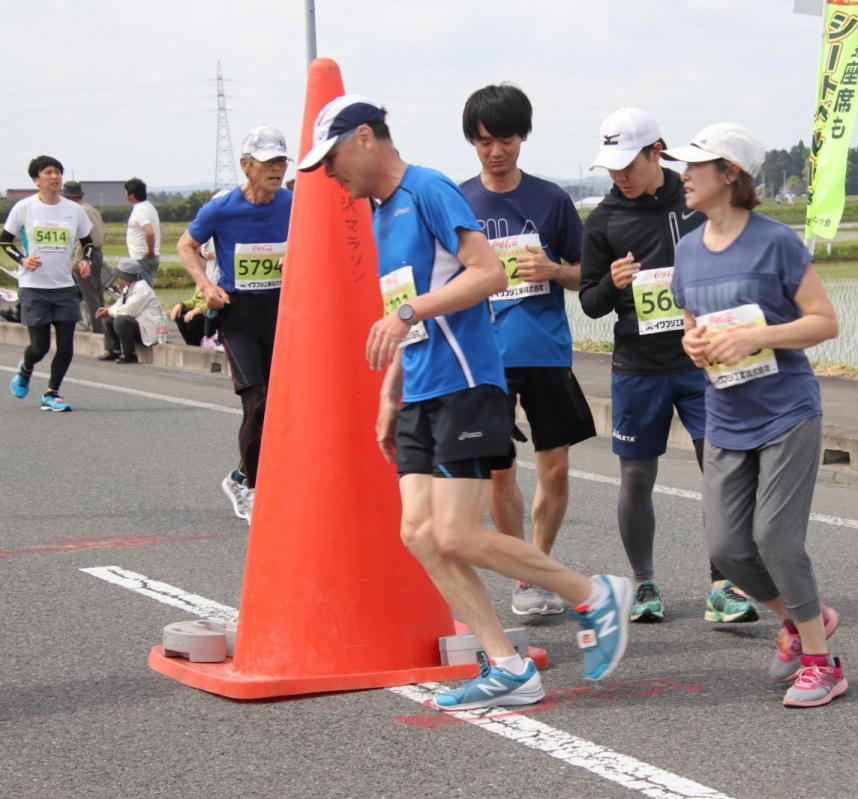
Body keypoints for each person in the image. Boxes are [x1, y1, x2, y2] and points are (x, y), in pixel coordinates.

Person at [297, 94, 633, 711]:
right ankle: (507, 664)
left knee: (454, 531)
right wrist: (390, 394)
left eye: (332, 157)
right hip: (422, 388)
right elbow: (404, 305)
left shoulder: (427, 189)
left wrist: (409, 312)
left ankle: (592, 591)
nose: (330, 175)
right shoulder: (378, 213)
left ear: (365, 138)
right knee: (419, 534)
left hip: (467, 382)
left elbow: (488, 274)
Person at [668, 123, 845, 707]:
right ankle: (802, 616)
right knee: (729, 549)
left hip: (786, 411)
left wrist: (760, 336)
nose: (684, 175)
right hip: (724, 412)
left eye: (697, 166)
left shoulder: (776, 242)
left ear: (730, 175)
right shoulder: (688, 247)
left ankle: (822, 662)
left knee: (774, 538)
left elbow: (824, 320)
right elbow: (694, 324)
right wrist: (693, 345)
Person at [579, 107, 757, 625]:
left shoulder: (696, 202)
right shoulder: (605, 221)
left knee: (720, 473)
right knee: (636, 477)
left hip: (702, 362)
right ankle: (644, 583)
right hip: (637, 366)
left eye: (627, 164)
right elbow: (590, 303)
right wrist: (611, 282)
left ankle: (723, 585)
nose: (618, 176)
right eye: (610, 167)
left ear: (657, 151)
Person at [458, 83, 597, 617]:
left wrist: (555, 270)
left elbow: (587, 273)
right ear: (473, 140)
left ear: (523, 138)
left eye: (508, 139)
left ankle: (539, 565)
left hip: (544, 350)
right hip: (483, 353)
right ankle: (523, 579)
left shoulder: (551, 199)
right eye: (487, 140)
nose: (497, 151)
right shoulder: (459, 200)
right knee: (498, 471)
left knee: (555, 468)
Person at [177, 126, 292, 522]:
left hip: (282, 313)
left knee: (282, 407)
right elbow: (186, 245)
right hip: (238, 313)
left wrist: (295, 257)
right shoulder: (222, 208)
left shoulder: (294, 205)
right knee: (257, 401)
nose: (277, 169)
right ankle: (251, 486)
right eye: (269, 162)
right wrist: (205, 284)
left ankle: (243, 475)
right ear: (246, 165)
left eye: (281, 161)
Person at [2, 155, 97, 412]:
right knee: (39, 347)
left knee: (67, 346)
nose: (55, 177)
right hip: (34, 287)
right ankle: (26, 367)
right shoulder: (24, 208)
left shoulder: (73, 210)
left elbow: (88, 242)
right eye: (48, 173)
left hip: (65, 286)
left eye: (57, 172)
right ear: (36, 180)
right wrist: (23, 260)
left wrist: (86, 260)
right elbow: (5, 242)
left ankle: (51, 393)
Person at [96, 259, 166, 363]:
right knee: (109, 317)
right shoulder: (130, 287)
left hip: (149, 328)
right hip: (139, 323)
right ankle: (114, 350)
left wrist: (109, 310)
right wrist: (108, 310)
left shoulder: (142, 289)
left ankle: (129, 354)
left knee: (121, 320)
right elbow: (120, 303)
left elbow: (129, 310)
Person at [63, 181, 107, 332]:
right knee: (97, 292)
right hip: (97, 253)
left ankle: (99, 330)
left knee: (90, 296)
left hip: (86, 255)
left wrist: (77, 261)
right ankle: (106, 328)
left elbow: (81, 240)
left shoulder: (77, 211)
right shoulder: (91, 209)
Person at [119, 178, 161, 287]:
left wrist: (150, 252)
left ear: (131, 195)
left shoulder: (140, 209)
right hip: (145, 257)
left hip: (142, 258)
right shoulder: (149, 206)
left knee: (143, 292)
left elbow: (149, 232)